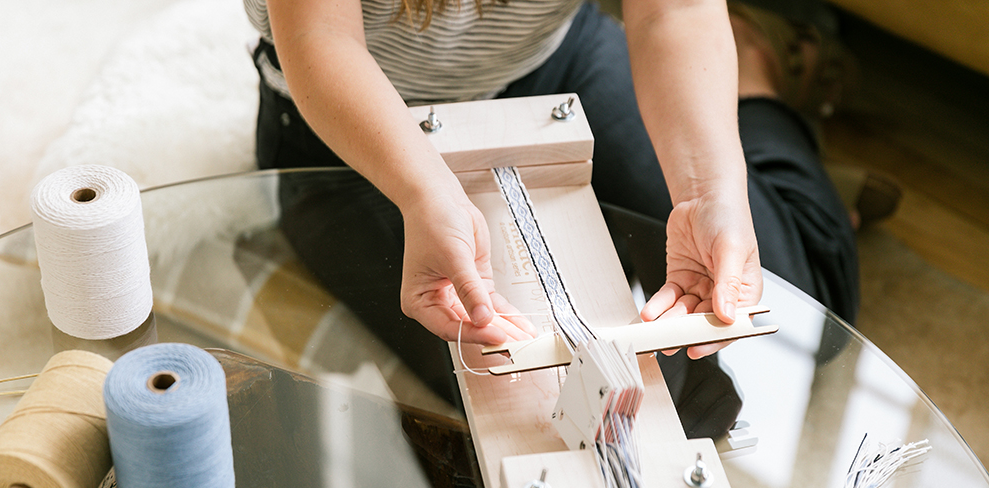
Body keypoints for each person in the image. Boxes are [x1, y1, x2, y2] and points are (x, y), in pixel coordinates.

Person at [245, 0, 859, 363]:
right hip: (358, 112)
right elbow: (320, 37)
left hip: (553, 66)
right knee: (505, 395)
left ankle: (755, 75)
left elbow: (675, 9)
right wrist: (424, 192)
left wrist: (710, 192)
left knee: (799, 326)